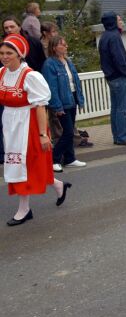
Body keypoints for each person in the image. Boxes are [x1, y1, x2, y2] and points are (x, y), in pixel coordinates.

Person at [0, 34, 71, 226]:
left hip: (28, 125)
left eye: (9, 53)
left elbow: (40, 106)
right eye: (2, 53)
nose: (4, 56)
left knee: (27, 165)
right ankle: (58, 185)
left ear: (19, 54)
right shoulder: (2, 73)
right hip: (10, 124)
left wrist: (42, 134)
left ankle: (24, 209)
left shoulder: (30, 75)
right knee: (19, 164)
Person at [42, 35, 87, 172]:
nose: (66, 46)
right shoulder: (49, 64)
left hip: (72, 98)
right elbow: (52, 87)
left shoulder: (68, 61)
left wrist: (80, 99)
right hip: (62, 101)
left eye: (66, 44)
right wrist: (57, 106)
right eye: (62, 44)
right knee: (68, 132)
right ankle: (53, 159)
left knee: (70, 129)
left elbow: (75, 81)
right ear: (54, 47)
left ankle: (70, 158)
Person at [98, 12, 126, 147]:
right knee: (122, 108)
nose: (121, 22)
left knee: (115, 108)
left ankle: (117, 136)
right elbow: (119, 58)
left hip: (111, 76)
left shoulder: (104, 36)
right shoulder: (114, 36)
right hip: (119, 76)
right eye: (119, 19)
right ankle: (123, 136)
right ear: (113, 22)